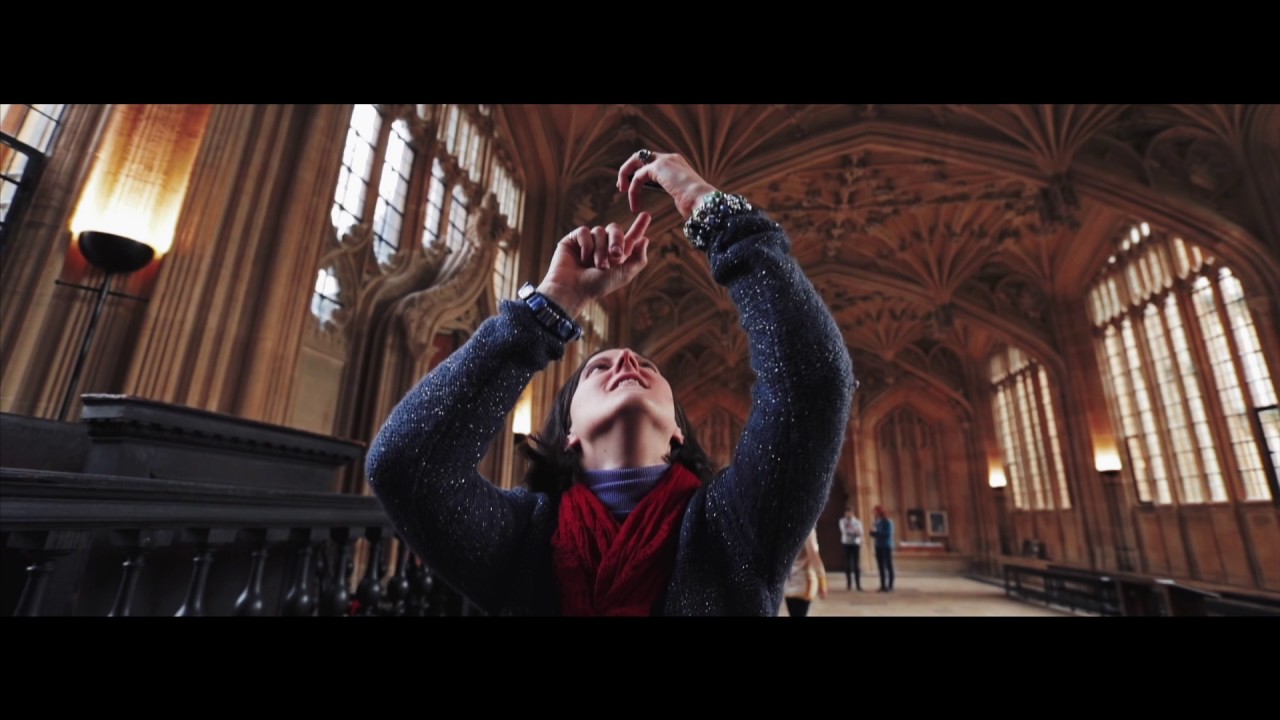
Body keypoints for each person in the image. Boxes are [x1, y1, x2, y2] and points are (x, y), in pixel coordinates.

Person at [365, 149, 855, 615]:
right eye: (598, 367)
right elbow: (405, 466)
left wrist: (710, 208)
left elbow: (812, 383)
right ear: (569, 433)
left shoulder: (731, 525)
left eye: (648, 368)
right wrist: (552, 302)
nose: (624, 360)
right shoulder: (523, 538)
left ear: (678, 432)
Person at [782, 528, 828, 617]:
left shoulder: (788, 527)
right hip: (803, 583)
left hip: (789, 583)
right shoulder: (808, 529)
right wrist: (822, 582)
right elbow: (814, 556)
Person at [869, 505, 895, 592]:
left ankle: (890, 586)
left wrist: (876, 533)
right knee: (881, 567)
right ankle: (883, 585)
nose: (874, 514)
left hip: (886, 546)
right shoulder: (877, 522)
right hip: (878, 546)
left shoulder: (887, 521)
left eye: (875, 512)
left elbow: (887, 533)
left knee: (888, 566)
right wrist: (872, 532)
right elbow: (873, 534)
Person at [838, 508, 863, 591]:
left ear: (852, 513)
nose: (848, 515)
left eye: (849, 513)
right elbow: (844, 531)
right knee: (847, 564)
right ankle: (849, 585)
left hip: (856, 544)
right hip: (846, 544)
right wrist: (853, 531)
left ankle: (858, 585)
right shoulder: (842, 521)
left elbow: (860, 532)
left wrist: (853, 530)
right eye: (846, 513)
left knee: (856, 565)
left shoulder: (857, 522)